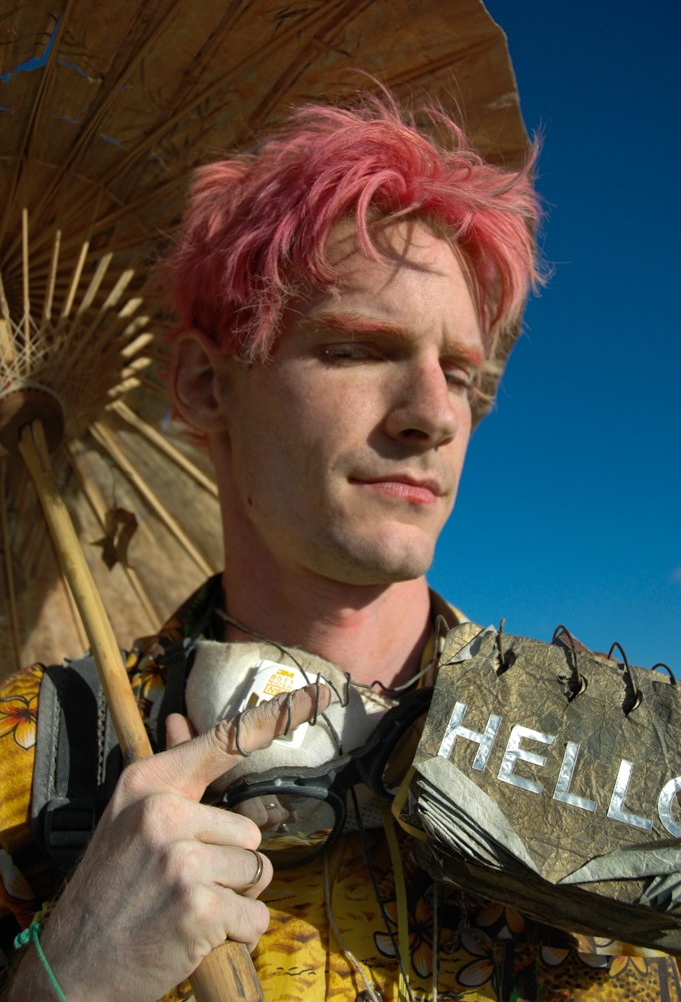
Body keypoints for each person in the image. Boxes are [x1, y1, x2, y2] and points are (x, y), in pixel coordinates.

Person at [1, 95, 679, 1002]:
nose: (434, 415)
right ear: (205, 384)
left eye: (460, 373)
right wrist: (61, 979)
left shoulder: (627, 761)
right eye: (357, 348)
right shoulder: (32, 757)